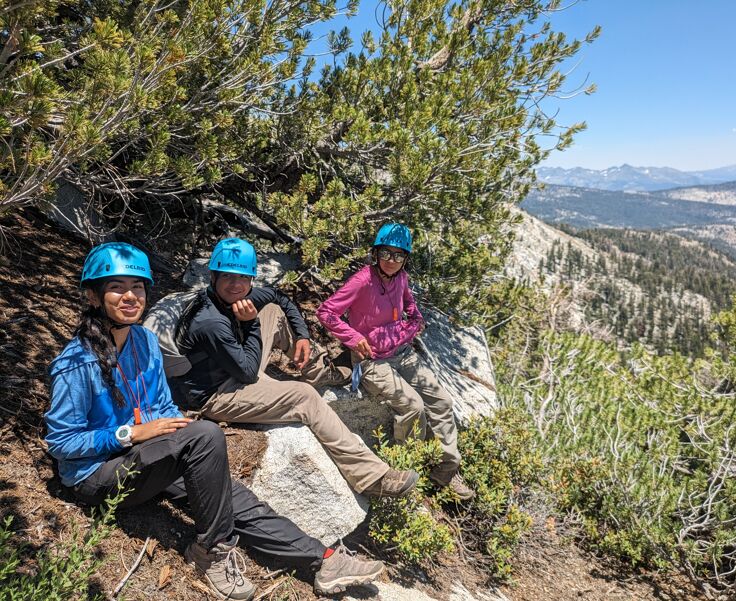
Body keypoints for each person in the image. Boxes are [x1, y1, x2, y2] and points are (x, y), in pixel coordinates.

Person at [45, 242, 386, 600]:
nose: (131, 296)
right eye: (117, 287)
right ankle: (210, 553)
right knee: (205, 436)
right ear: (93, 296)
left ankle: (322, 560)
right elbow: (62, 444)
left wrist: (168, 430)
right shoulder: (76, 363)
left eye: (138, 287)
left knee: (230, 493)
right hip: (96, 477)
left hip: (145, 457)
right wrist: (130, 433)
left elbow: (161, 404)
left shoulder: (144, 340)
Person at [169, 237, 418, 498]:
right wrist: (251, 324)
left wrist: (301, 336)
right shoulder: (210, 322)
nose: (237, 285)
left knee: (273, 311)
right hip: (217, 393)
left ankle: (321, 372)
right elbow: (248, 372)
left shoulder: (235, 296)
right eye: (229, 277)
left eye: (243, 278)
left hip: (232, 365)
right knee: (305, 397)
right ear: (214, 275)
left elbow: (280, 298)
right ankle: (372, 478)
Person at [317, 224, 475, 501]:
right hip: (371, 359)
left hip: (401, 351)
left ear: (405, 259)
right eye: (386, 253)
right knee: (412, 405)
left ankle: (445, 473)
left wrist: (415, 320)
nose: (391, 260)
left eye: (398, 255)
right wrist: (352, 337)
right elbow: (327, 312)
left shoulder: (401, 279)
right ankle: (408, 470)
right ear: (376, 253)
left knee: (441, 402)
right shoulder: (362, 280)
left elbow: (409, 304)